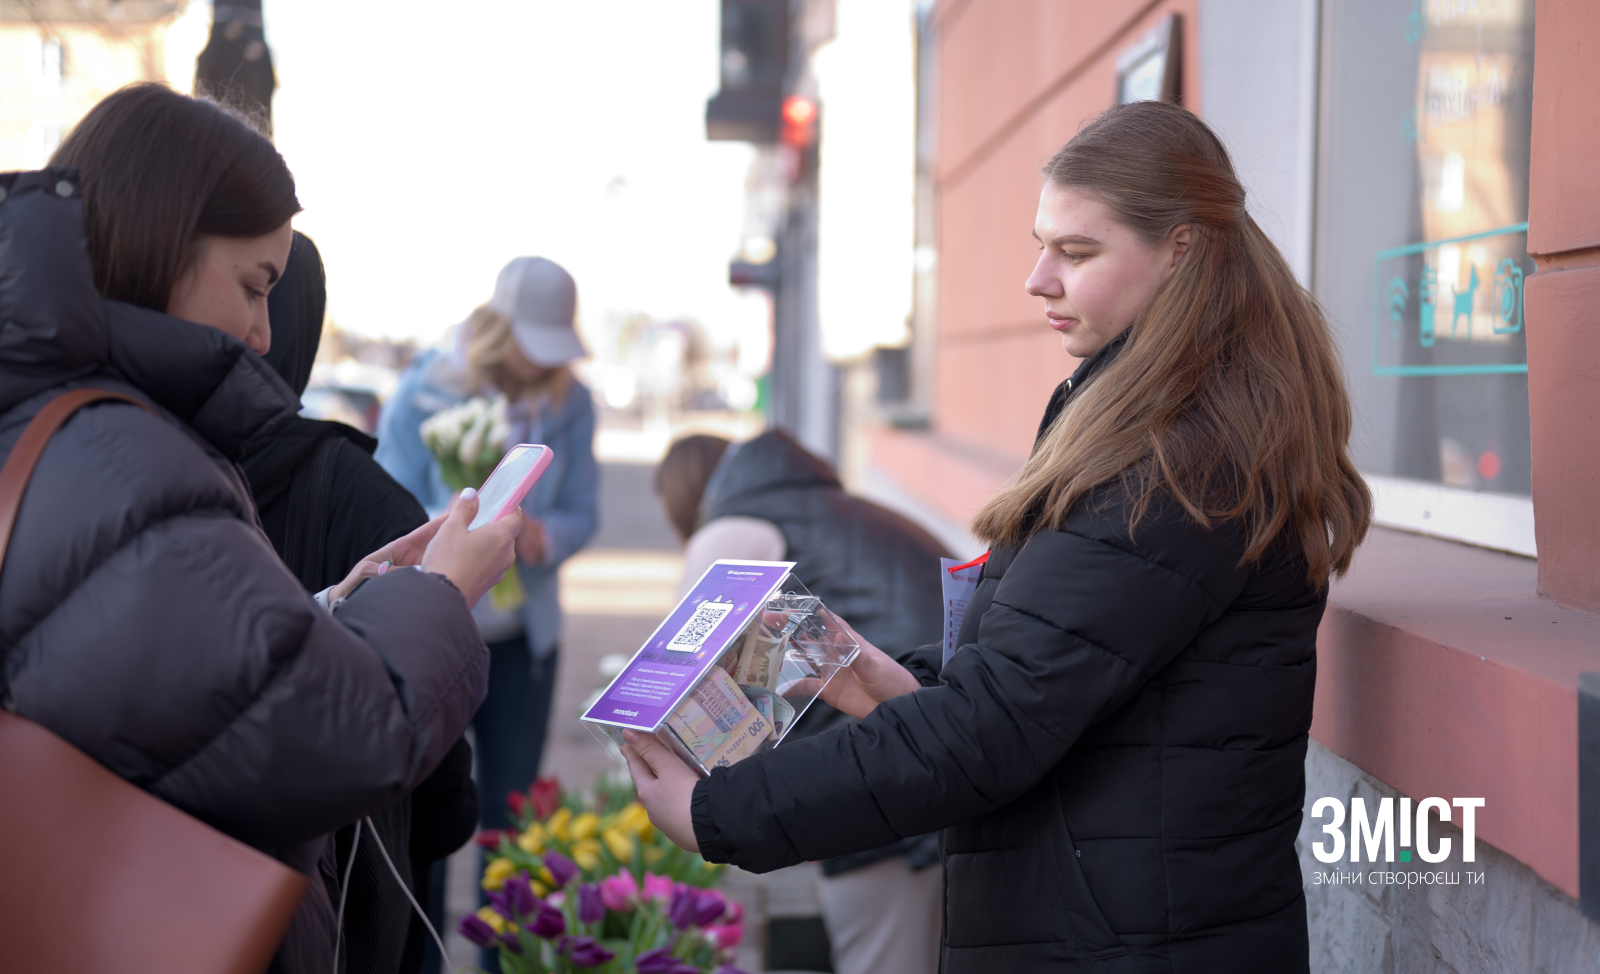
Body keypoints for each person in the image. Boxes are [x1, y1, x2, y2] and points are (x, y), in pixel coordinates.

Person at [621, 100, 1373, 972]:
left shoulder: (1181, 460)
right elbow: (1057, 674)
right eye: (1041, 243)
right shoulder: (1153, 421)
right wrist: (909, 686)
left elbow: (998, 723)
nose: (1038, 279)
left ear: (1182, 250)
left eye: (1077, 252)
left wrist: (720, 811)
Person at [0, 84, 518, 974]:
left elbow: (155, 682)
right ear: (163, 236)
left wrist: (333, 610)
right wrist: (440, 596)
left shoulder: (59, 421)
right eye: (253, 284)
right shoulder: (128, 457)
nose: (262, 330)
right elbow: (342, 739)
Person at [239, 230, 479, 974]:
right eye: (248, 287)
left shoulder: (122, 459)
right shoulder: (361, 495)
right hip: (344, 912)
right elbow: (438, 766)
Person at [654, 428, 948, 974]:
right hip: (951, 733)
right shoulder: (837, 508)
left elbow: (678, 680)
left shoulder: (731, 529)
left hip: (891, 770)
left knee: (883, 957)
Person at [375, 257, 598, 970]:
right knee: (430, 818)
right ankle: (424, 958)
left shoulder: (572, 402)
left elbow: (584, 511)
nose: (545, 362)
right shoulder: (420, 395)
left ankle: (505, 962)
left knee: (511, 817)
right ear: (501, 329)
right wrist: (455, 531)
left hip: (522, 642)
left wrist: (544, 537)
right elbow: (392, 509)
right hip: (436, 636)